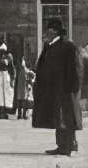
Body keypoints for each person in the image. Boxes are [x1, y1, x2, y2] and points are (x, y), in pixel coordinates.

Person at [32, 18, 82, 157]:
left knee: (66, 117)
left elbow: (74, 68)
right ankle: (61, 145)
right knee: (58, 117)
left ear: (55, 31)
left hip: (65, 88)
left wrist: (72, 87)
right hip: (54, 89)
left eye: (50, 30)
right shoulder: (51, 45)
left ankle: (69, 146)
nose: (48, 32)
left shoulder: (68, 46)